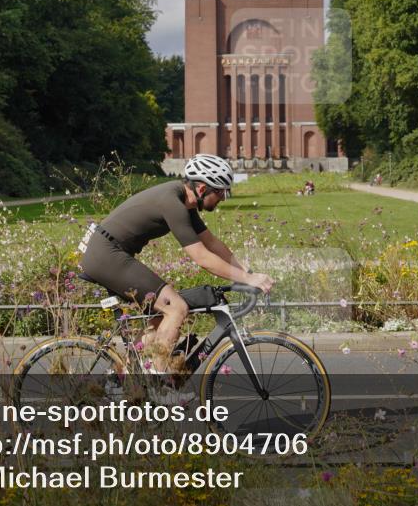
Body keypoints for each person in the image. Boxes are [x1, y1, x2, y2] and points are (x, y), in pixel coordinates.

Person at [77, 154, 273, 374]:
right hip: (106, 254)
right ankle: (157, 385)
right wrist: (246, 279)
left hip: (109, 252)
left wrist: (248, 272)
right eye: (220, 192)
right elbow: (202, 258)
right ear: (202, 189)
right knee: (176, 308)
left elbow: (211, 243)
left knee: (161, 316)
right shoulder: (172, 203)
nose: (223, 198)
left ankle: (128, 377)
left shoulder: (184, 202)